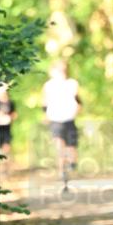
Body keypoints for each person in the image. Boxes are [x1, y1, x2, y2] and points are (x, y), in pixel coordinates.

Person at [43, 60, 81, 192]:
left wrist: (77, 109)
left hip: (69, 119)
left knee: (71, 148)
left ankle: (71, 164)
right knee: (59, 146)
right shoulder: (48, 85)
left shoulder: (72, 84)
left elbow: (78, 100)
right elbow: (45, 103)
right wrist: (45, 116)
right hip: (55, 120)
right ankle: (62, 174)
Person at [0, 82, 17, 172]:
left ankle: (6, 168)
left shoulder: (11, 102)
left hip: (7, 128)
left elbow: (14, 114)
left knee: (6, 148)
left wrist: (10, 117)